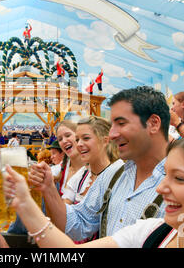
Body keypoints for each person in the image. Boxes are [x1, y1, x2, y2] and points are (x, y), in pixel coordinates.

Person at [4, 130, 184, 248]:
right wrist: (24, 203)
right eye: (165, 174)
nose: (161, 188)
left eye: (180, 178)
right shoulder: (154, 232)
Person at [29, 86, 169, 241]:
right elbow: (77, 224)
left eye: (121, 123)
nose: (112, 134)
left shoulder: (183, 182)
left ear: (153, 124)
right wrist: (48, 188)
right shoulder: (115, 174)